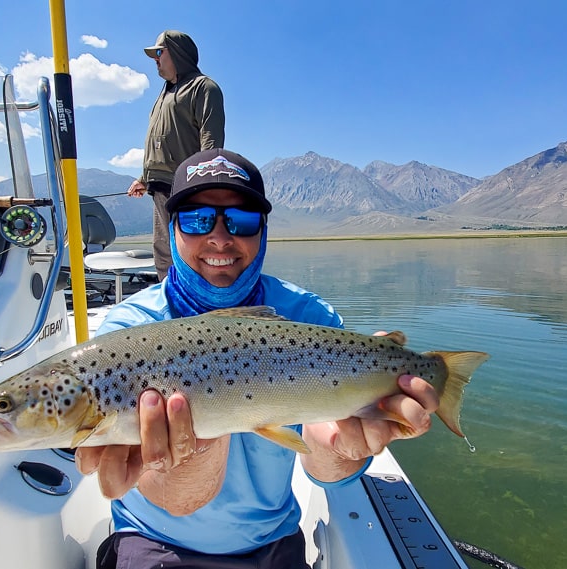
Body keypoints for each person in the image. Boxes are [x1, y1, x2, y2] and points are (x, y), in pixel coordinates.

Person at [77, 149, 441, 569]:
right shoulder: (127, 338)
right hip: (155, 542)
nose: (219, 237)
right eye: (197, 219)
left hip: (273, 544)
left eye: (242, 220)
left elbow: (324, 461)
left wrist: (345, 448)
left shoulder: (309, 318)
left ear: (263, 231)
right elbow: (174, 500)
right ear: (171, 227)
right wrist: (196, 449)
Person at [127, 30, 226, 281]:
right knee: (164, 253)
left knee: (189, 254)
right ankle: (172, 309)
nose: (155, 59)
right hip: (159, 187)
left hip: (186, 188)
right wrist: (143, 178)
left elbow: (211, 141)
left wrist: (202, 185)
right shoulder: (163, 94)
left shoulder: (203, 88)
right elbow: (160, 141)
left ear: (178, 54)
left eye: (160, 52)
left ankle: (197, 313)